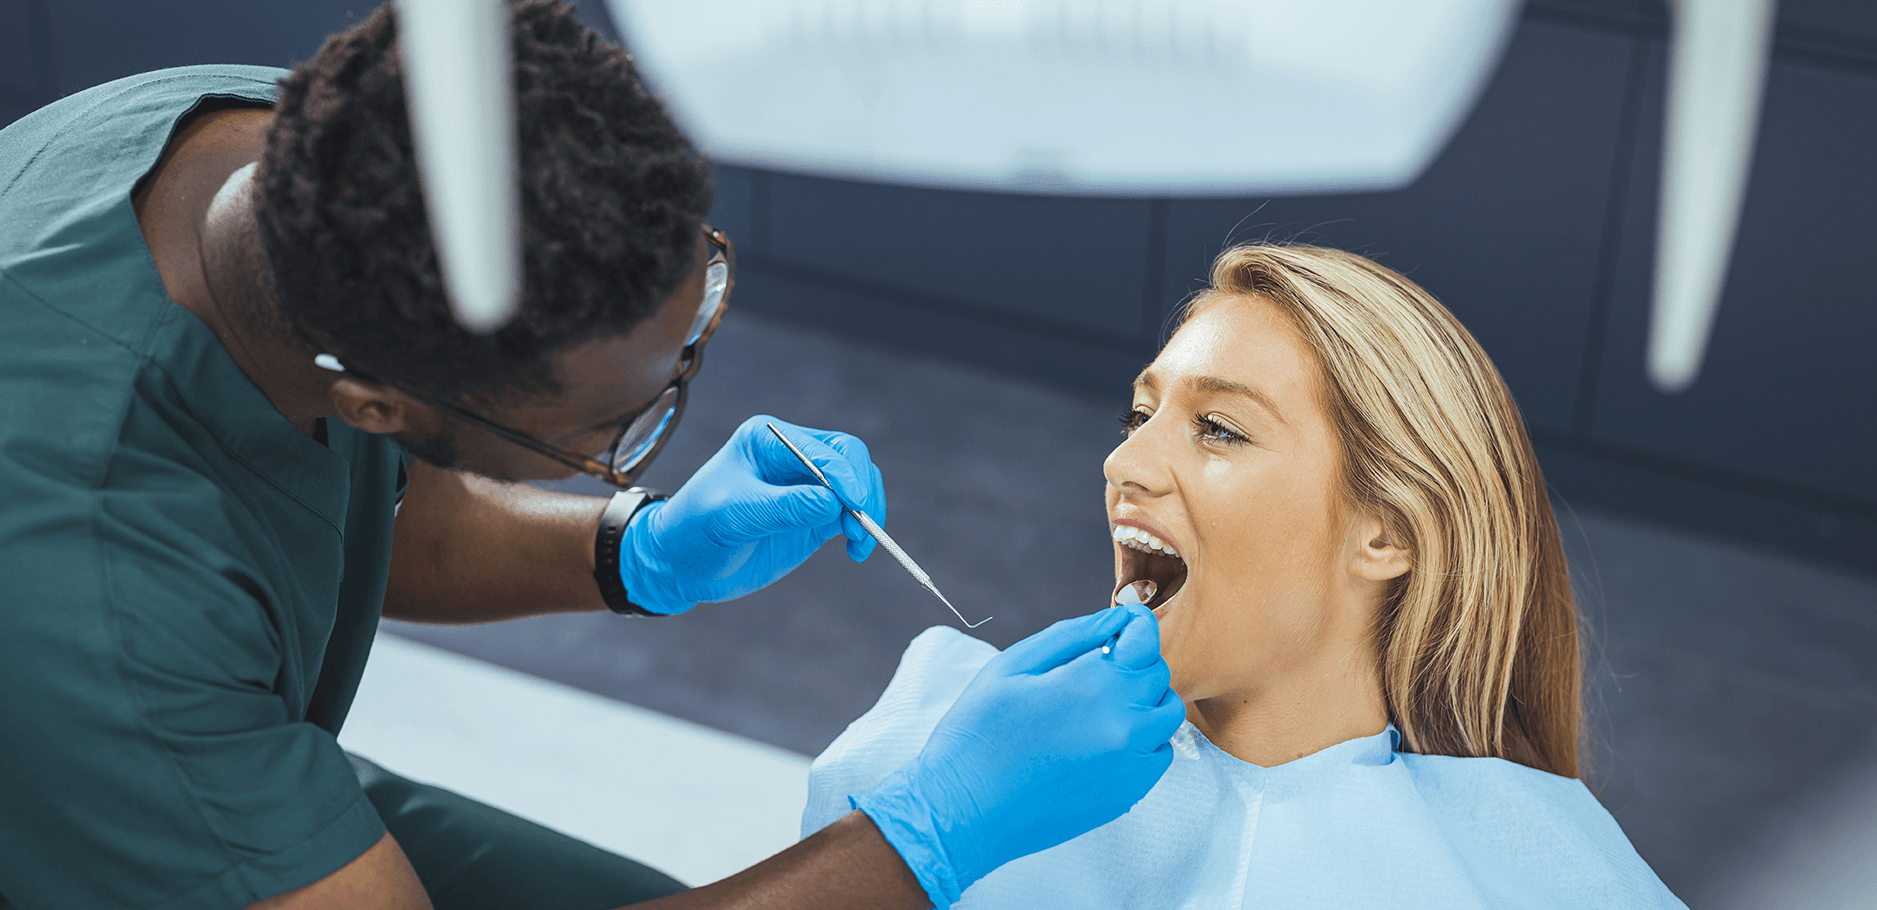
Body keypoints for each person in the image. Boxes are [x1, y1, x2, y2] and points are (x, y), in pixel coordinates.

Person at [0, 3, 1184, 909]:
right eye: (617, 434)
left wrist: (639, 549)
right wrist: (926, 837)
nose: (669, 414)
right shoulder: (104, 609)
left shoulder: (288, 160)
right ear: (376, 402)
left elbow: (335, 499)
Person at [804, 243, 1691, 908]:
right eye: (1139, 413)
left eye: (1218, 429)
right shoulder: (935, 745)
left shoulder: (1538, 875)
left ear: (1386, 534)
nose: (1125, 461)